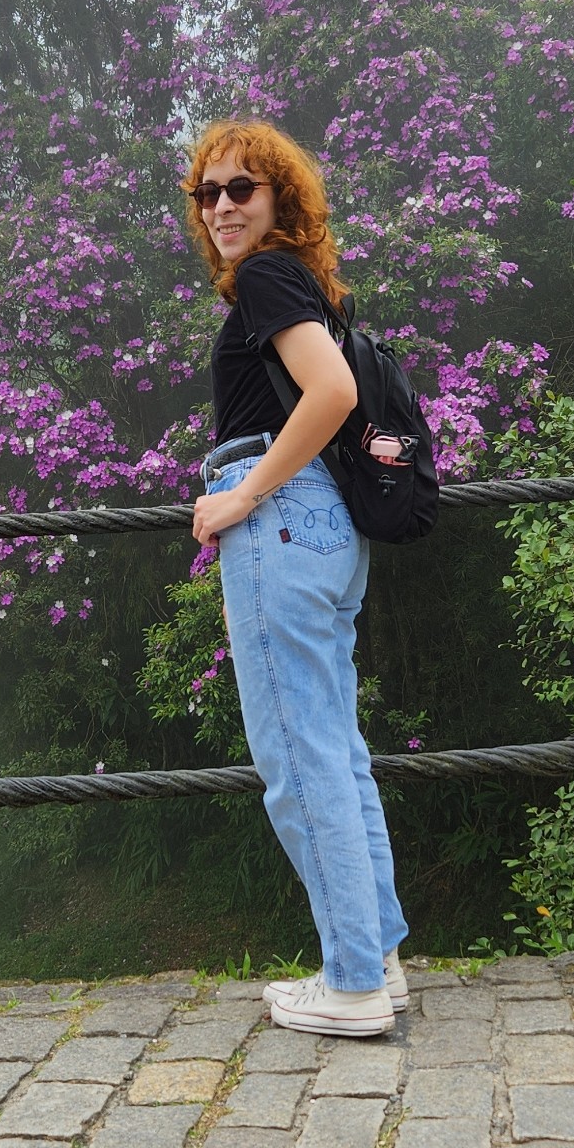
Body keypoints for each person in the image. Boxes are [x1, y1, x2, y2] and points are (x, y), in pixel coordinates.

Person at [184, 118, 409, 1036]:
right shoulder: (304, 286)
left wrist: (243, 495)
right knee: (333, 748)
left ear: (281, 198)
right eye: (207, 193)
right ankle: (377, 960)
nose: (222, 207)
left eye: (242, 188)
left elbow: (333, 394)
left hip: (279, 516)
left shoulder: (268, 277)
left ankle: (352, 985)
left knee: (297, 755)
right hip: (325, 525)